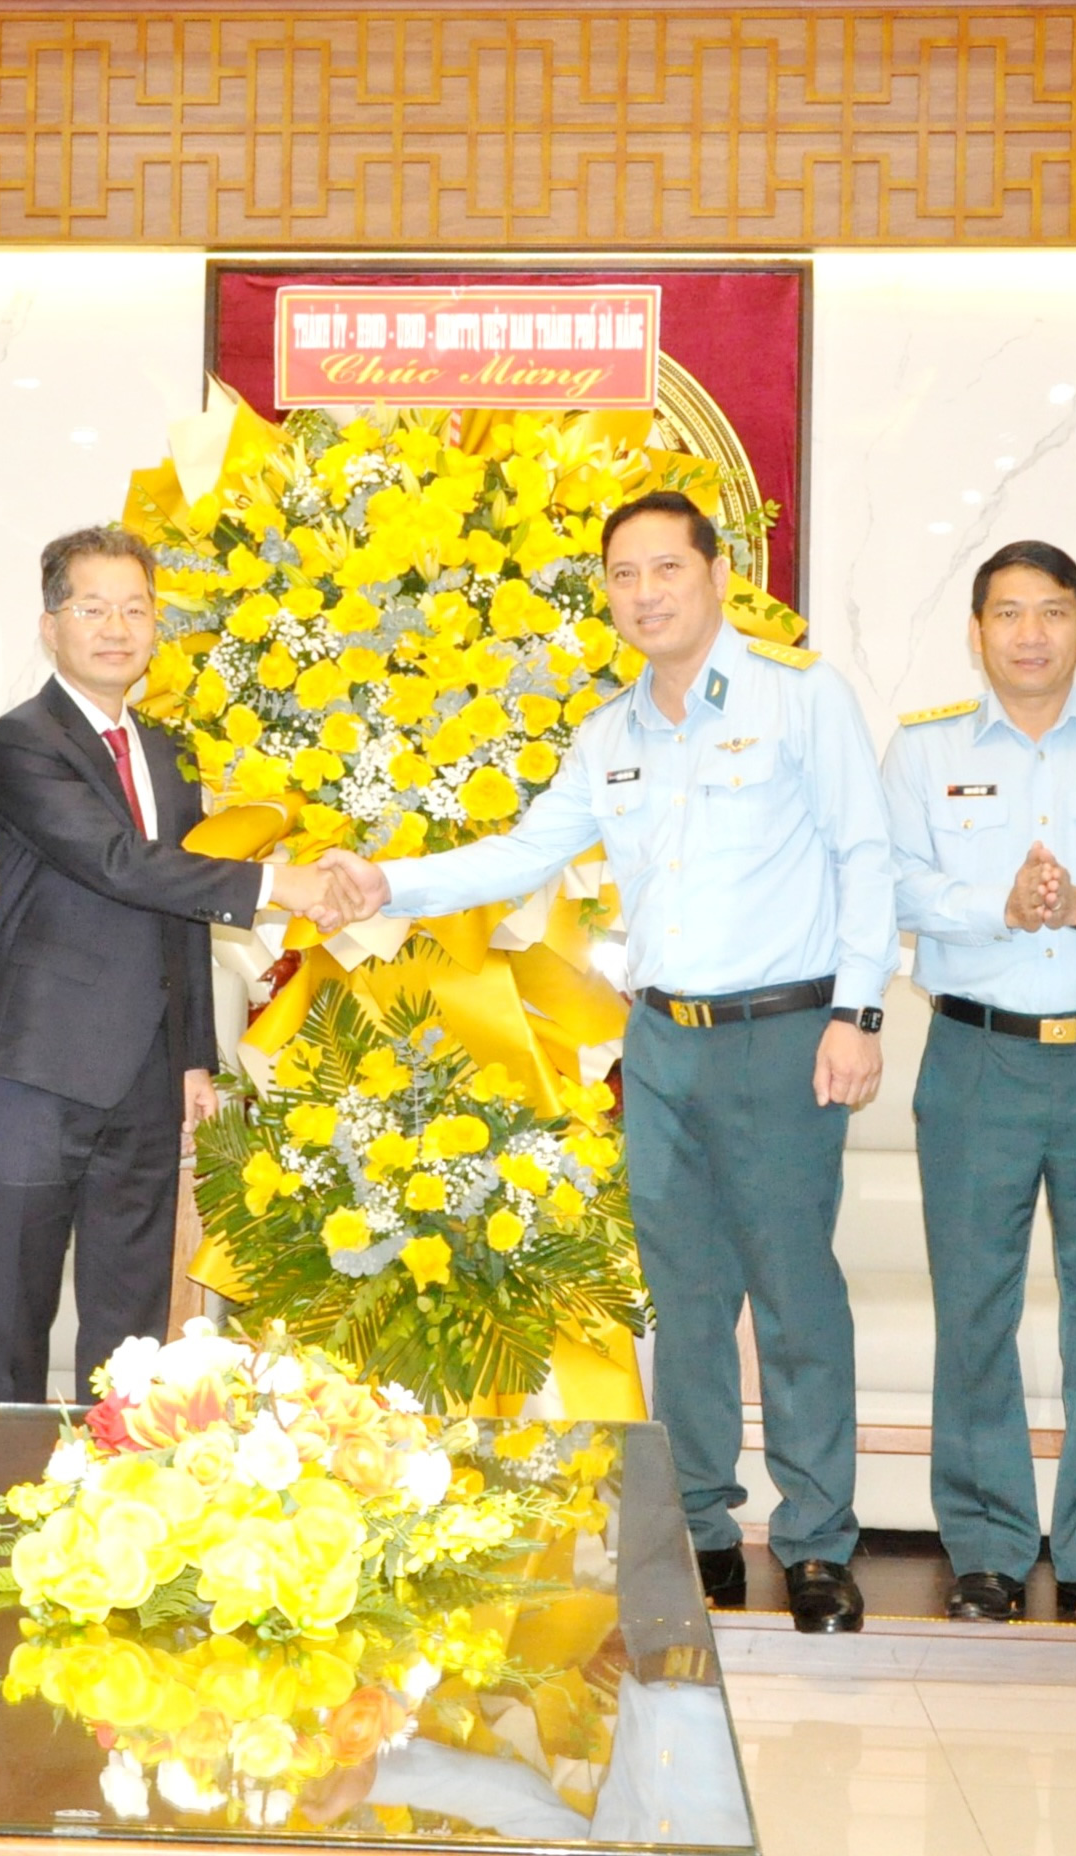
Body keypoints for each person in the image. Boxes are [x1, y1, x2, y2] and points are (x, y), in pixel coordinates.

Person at [321, 488, 897, 1633]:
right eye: (623, 576)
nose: (644, 594)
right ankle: (699, 1529)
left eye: (664, 570)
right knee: (683, 1299)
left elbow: (864, 851)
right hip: (662, 1046)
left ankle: (819, 1541)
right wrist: (391, 879)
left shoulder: (799, 697)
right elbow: (523, 850)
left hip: (786, 1036)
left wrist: (860, 1011)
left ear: (716, 571)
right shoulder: (610, 733)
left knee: (794, 1293)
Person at [878, 539, 1076, 1629]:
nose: (1028, 633)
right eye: (1006, 613)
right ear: (976, 632)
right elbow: (895, 882)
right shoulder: (922, 752)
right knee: (976, 1308)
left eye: (1050, 611)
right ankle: (987, 1549)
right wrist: (995, 906)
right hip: (975, 1054)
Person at [0, 525, 340, 1412]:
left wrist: (193, 1058)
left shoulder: (170, 752)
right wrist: (276, 883)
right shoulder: (21, 742)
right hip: (37, 1070)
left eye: (134, 609)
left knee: (129, 1327)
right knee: (14, 1319)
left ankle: (113, 1509)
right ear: (51, 624)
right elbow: (115, 863)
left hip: (142, 1075)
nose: (115, 627)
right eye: (91, 607)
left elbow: (181, 916)